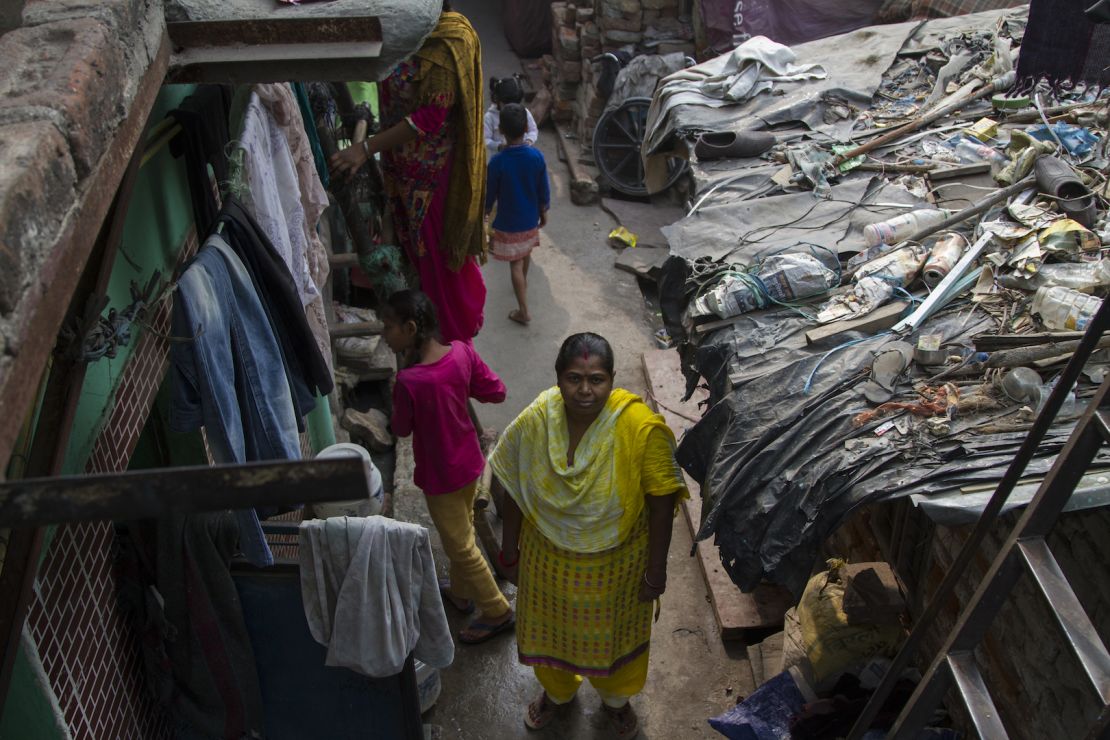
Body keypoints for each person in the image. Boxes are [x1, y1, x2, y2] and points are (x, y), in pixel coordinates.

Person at [489, 333, 688, 739]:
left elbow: (663, 500)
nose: (584, 390)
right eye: (573, 378)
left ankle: (616, 702)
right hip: (547, 564)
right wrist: (509, 549)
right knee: (553, 635)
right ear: (558, 378)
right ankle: (558, 694)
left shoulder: (638, 428)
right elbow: (510, 483)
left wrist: (656, 571)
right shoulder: (539, 418)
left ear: (612, 379)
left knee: (616, 642)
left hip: (617, 569)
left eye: (596, 379)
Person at [330, 2, 487, 344]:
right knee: (416, 262)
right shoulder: (404, 34)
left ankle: (448, 345)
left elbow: (429, 118)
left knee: (437, 265)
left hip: (432, 179)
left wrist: (365, 147)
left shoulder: (448, 43)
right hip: (401, 172)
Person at [383, 289, 515, 644]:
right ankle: (461, 592)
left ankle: (497, 610)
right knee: (463, 531)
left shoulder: (410, 382)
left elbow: (401, 429)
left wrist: (398, 398)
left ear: (410, 329)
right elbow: (496, 391)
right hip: (470, 463)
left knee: (460, 546)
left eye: (389, 326)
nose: (385, 333)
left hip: (441, 477)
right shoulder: (461, 353)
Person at [485, 103, 550, 326]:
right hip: (530, 218)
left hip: (508, 222)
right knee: (526, 252)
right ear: (525, 128)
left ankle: (523, 311)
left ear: (501, 130)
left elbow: (489, 195)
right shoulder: (536, 157)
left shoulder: (498, 162)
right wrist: (543, 212)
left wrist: (484, 215)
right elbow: (543, 190)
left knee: (514, 264)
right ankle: (524, 284)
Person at [484, 75, 539, 153]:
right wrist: (499, 146)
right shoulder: (489, 117)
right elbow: (485, 139)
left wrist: (529, 141)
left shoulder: (524, 112)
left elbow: (533, 130)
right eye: (507, 104)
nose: (512, 108)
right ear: (497, 98)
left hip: (522, 154)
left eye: (515, 104)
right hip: (501, 158)